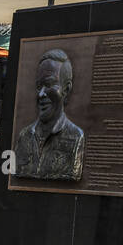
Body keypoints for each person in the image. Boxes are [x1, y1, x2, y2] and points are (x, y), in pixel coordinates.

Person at [14, 48, 84, 181]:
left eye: (49, 84)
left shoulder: (76, 137)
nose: (41, 94)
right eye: (39, 86)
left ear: (66, 89)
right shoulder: (24, 136)